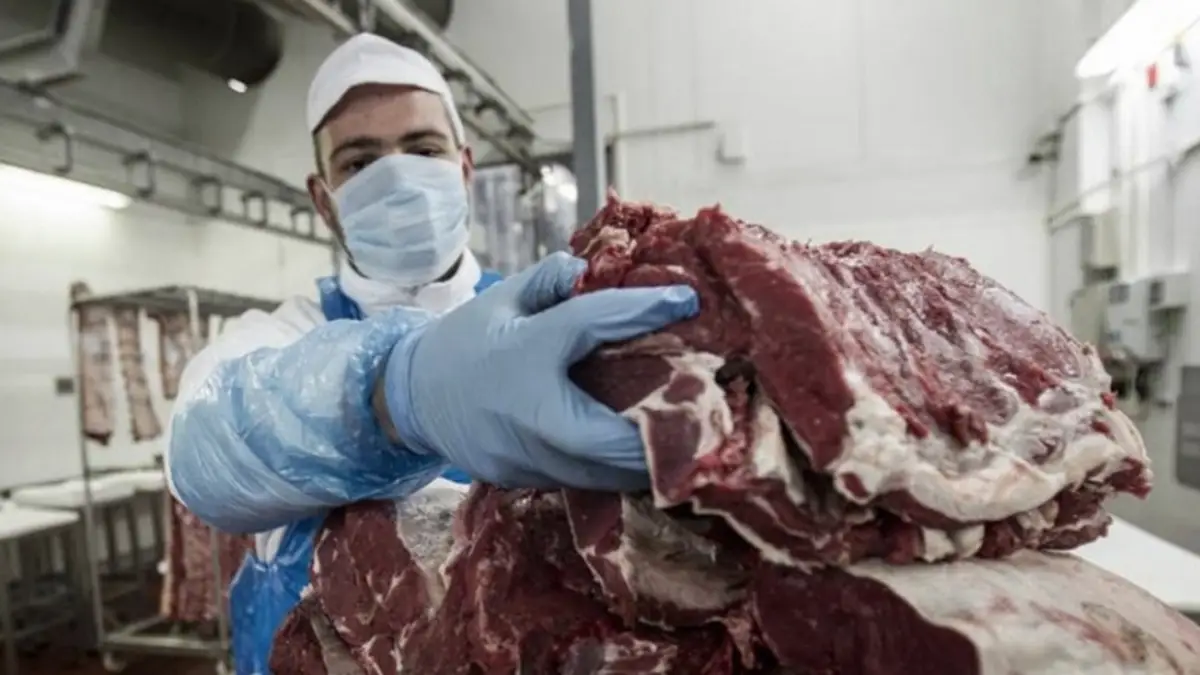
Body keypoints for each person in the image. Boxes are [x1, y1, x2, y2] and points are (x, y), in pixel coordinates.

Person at [163, 33, 697, 673]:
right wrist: (395, 391)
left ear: (464, 169)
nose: (398, 177)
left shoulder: (548, 325)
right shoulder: (282, 335)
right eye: (359, 162)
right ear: (322, 198)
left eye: (423, 149)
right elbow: (203, 453)